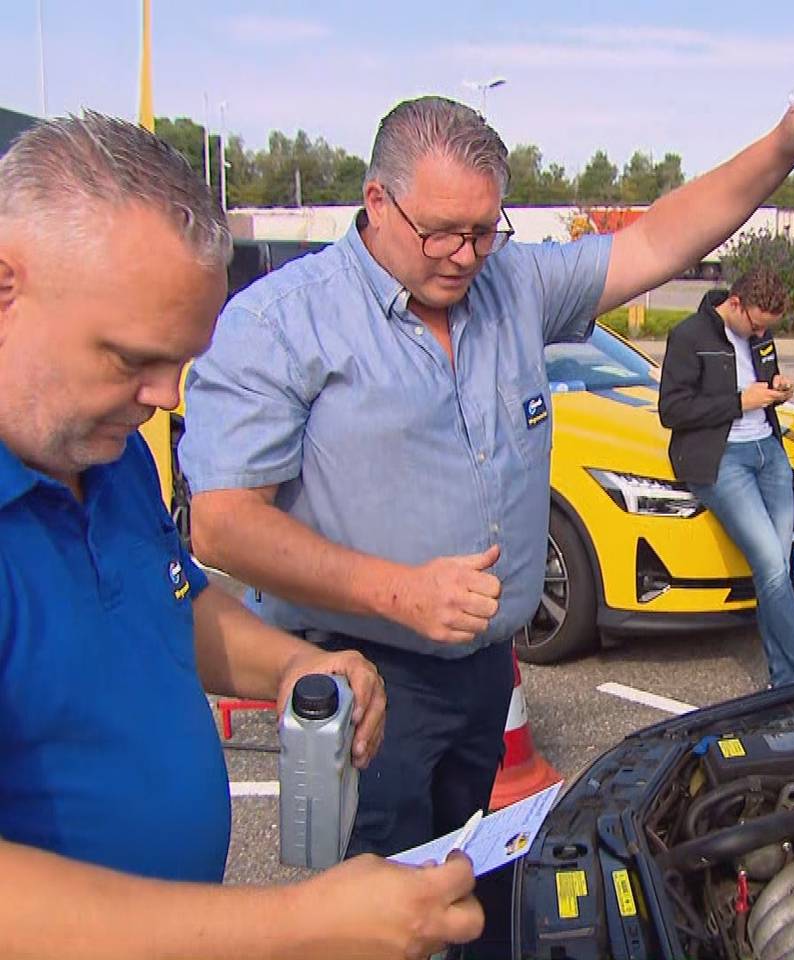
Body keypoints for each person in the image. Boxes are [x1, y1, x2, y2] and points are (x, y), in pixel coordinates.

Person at [179, 92, 794, 949]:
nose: (465, 255)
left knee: (460, 881)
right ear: (378, 202)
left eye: (485, 230)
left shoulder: (510, 285)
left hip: (486, 670)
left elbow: (655, 238)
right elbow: (223, 525)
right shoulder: (280, 323)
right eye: (443, 232)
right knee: (374, 914)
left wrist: (783, 148)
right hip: (365, 682)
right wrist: (397, 592)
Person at [0, 112, 484, 959]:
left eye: (181, 361)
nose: (164, 397)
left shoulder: (104, 453)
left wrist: (292, 664)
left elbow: (168, 607)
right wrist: (300, 926)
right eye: (129, 358)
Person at [658, 269, 794, 688]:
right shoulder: (689, 336)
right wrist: (739, 401)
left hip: (769, 452)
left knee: (777, 571)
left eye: (767, 328)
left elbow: (762, 382)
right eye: (755, 324)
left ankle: (784, 680)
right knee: (771, 566)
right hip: (723, 460)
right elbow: (672, 410)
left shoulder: (758, 335)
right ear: (734, 303)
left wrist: (777, 387)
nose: (760, 332)